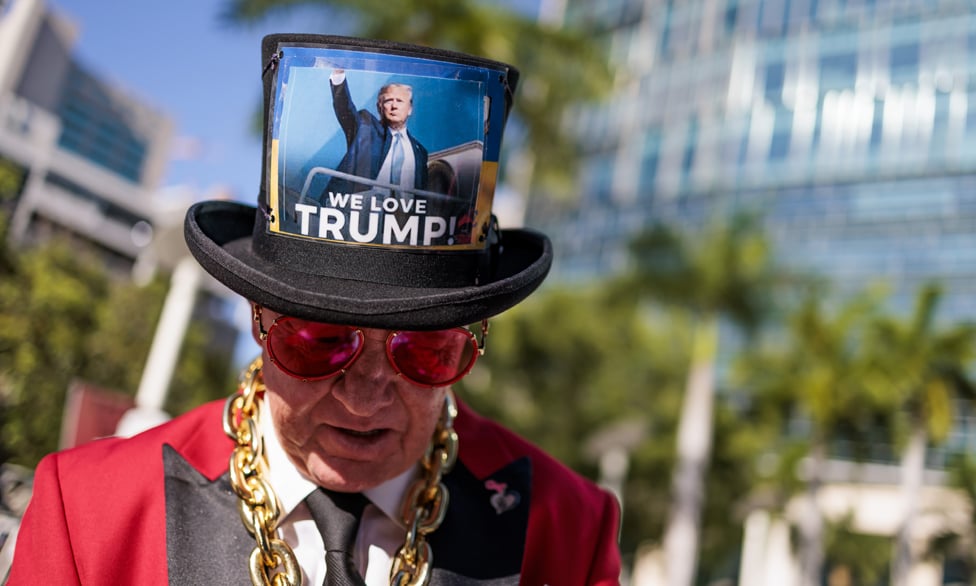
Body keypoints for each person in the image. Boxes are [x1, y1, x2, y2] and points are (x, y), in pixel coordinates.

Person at [7, 34, 621, 585]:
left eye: (427, 354)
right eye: (319, 342)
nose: (365, 398)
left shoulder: (568, 532)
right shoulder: (90, 511)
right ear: (259, 318)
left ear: (472, 340)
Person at [323, 68, 429, 199]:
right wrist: (338, 75)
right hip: (358, 212)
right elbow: (344, 108)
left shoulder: (420, 152)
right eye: (389, 100)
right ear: (380, 107)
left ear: (410, 109)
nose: (394, 106)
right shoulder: (365, 127)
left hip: (402, 217)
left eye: (400, 101)